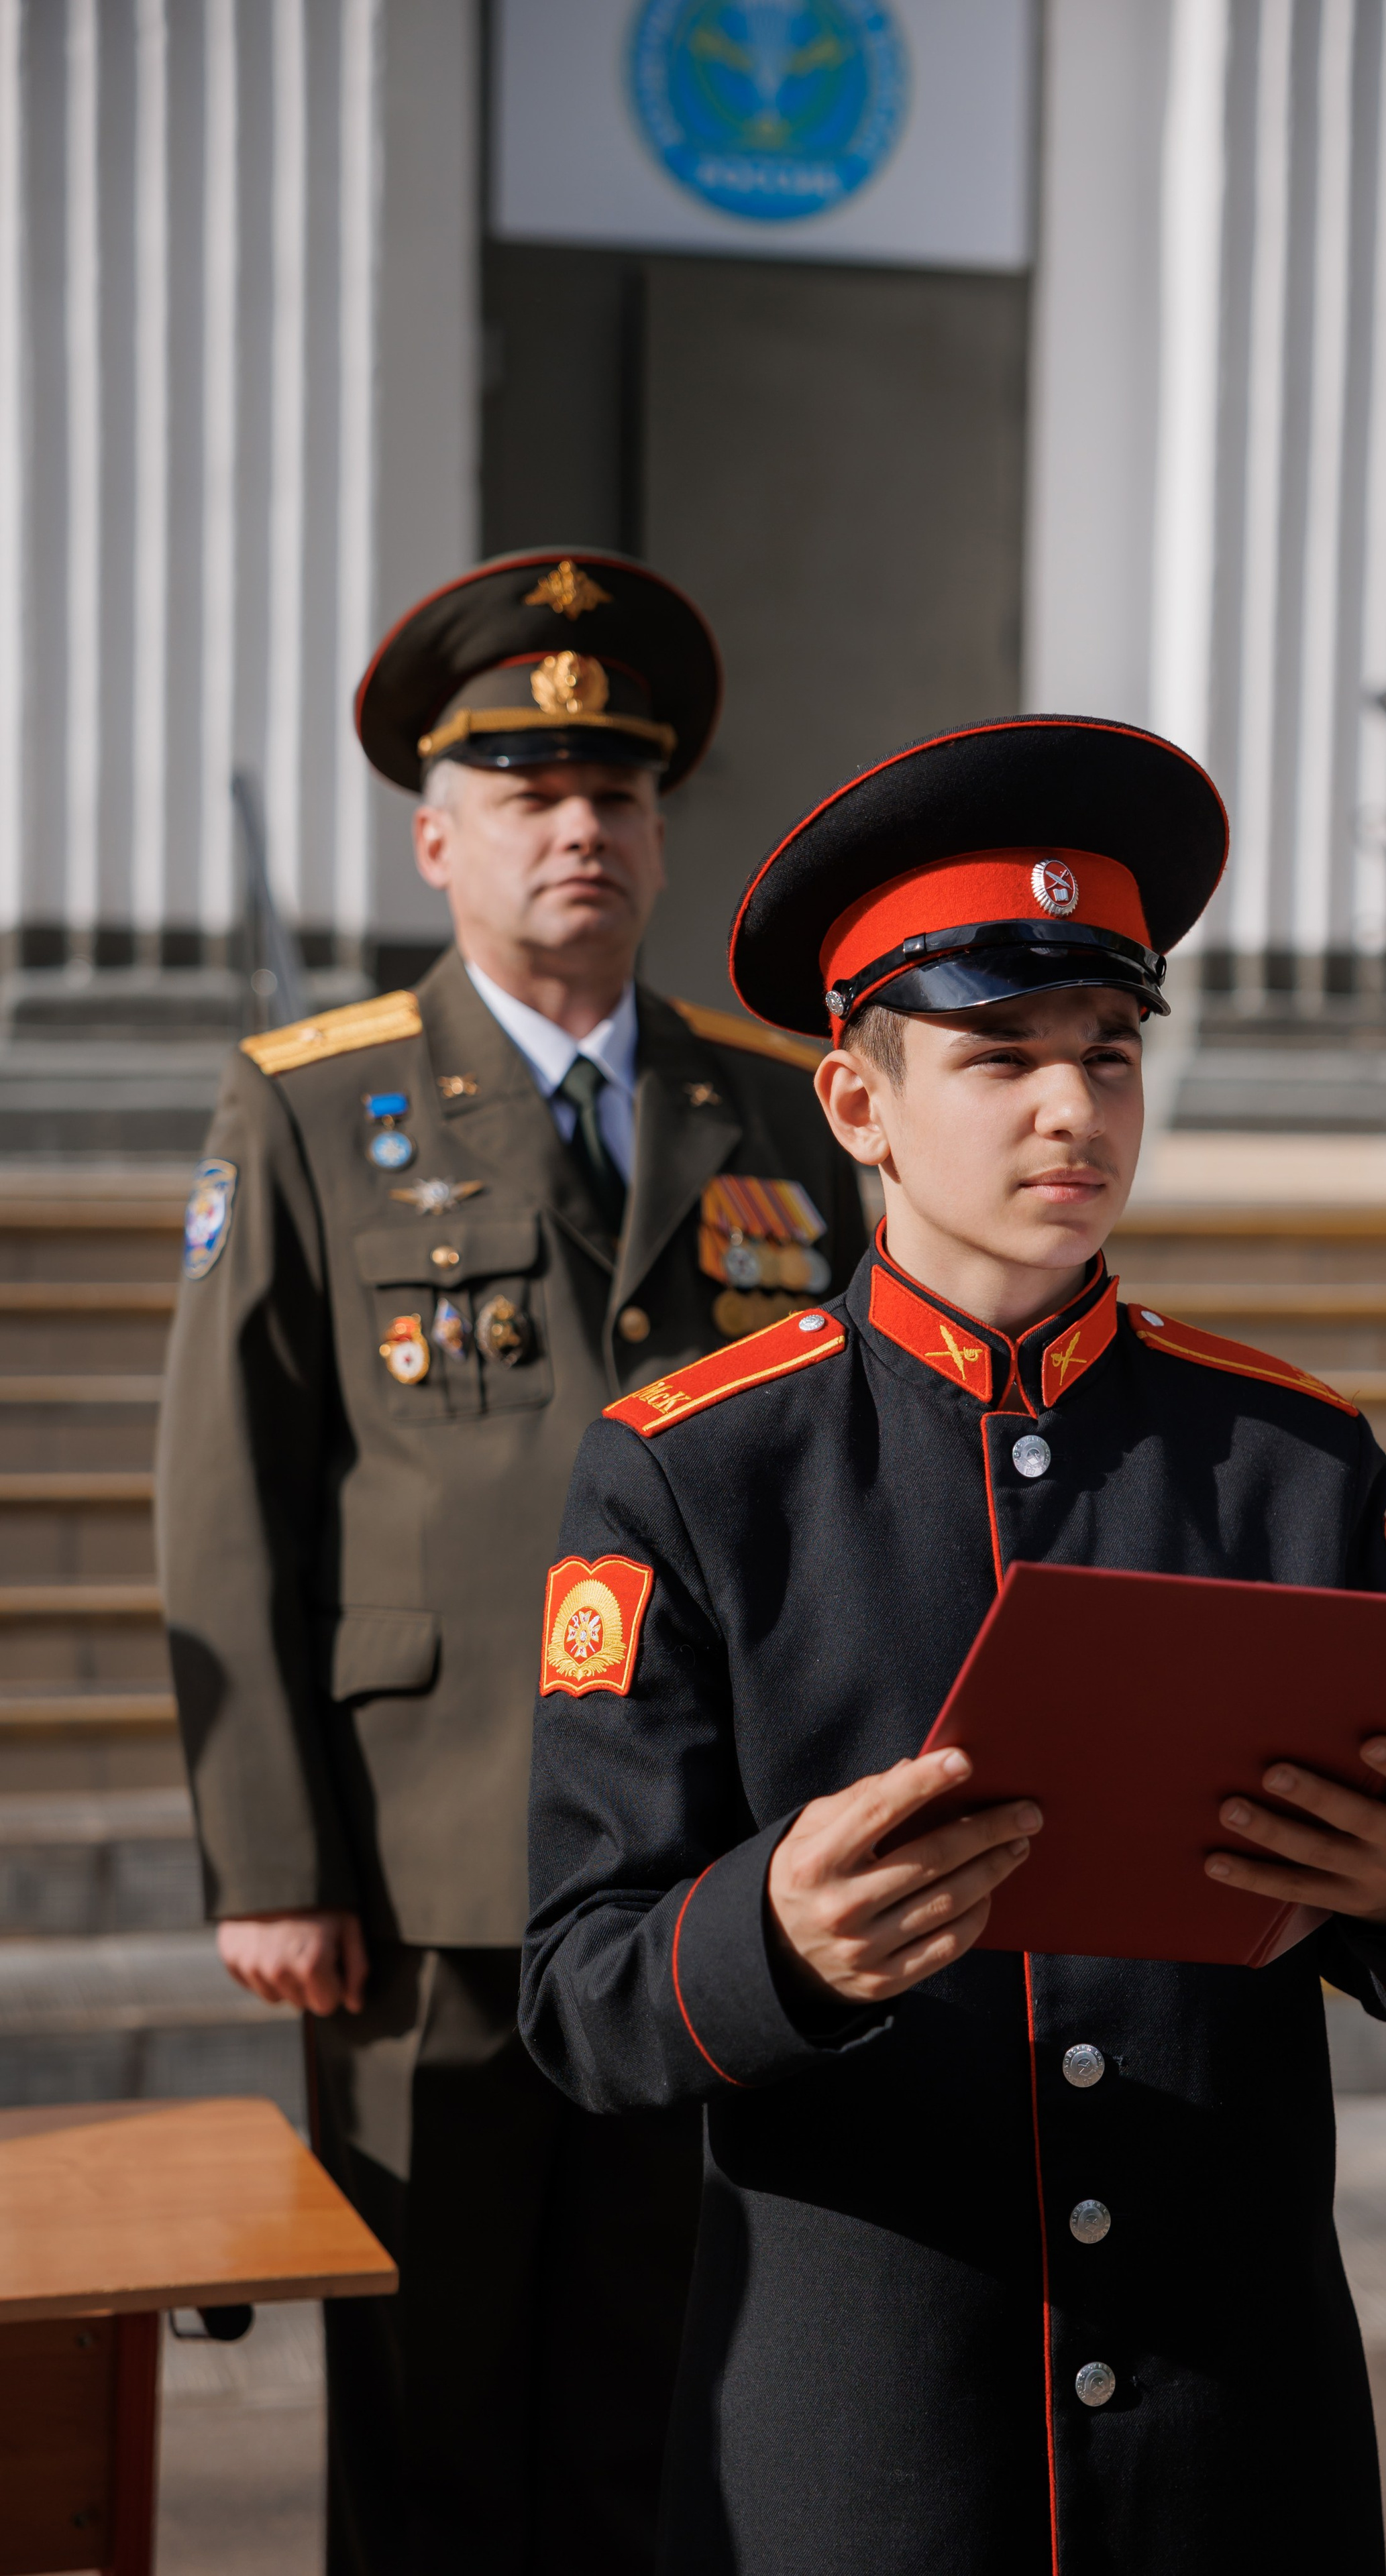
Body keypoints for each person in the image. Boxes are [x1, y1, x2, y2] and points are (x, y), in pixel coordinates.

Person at [519, 715, 1386, 2576]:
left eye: (1108, 1052)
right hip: (864, 2465)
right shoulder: (694, 1469)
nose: (1072, 1111)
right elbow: (580, 1991)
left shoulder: (1287, 1457)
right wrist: (775, 1941)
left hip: (1233, 2451)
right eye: (999, 1059)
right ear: (856, 1103)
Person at [157, 550, 866, 2575]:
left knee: (667, 2382)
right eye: (536, 793)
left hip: (701, 1859)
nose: (585, 830)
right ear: (437, 835)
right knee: (427, 2390)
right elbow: (227, 1497)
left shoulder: (771, 1103)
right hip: (421, 1872)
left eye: (621, 793)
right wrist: (273, 1861)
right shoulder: (311, 1107)